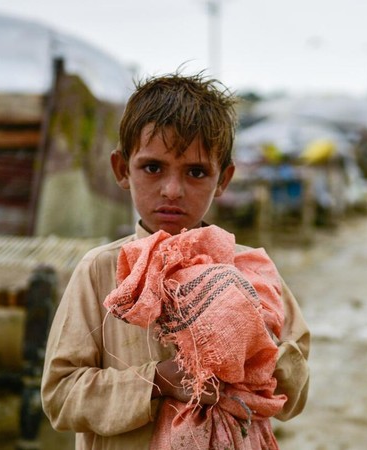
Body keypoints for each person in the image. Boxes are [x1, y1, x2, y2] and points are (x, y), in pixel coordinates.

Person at [40, 72, 310, 449]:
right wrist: (158, 381)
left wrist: (254, 353)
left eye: (196, 172)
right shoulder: (100, 271)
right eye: (153, 167)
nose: (172, 190)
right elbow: (60, 396)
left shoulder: (251, 271)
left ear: (223, 180)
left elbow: (292, 395)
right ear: (122, 170)